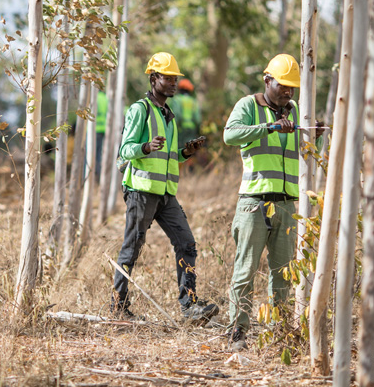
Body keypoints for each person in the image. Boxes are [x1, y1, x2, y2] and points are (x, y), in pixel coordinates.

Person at [110, 52, 219, 324]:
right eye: (168, 78)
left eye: (175, 78)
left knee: (186, 243)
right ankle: (117, 308)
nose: (173, 83)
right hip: (141, 191)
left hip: (166, 193)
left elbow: (168, 158)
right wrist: (145, 147)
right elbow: (124, 150)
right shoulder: (140, 109)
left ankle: (189, 306)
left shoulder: (167, 114)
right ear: (153, 78)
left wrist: (186, 152)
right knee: (132, 248)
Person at [222, 53, 321, 350]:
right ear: (267, 81)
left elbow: (306, 152)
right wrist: (268, 128)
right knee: (246, 271)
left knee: (283, 275)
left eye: (292, 87)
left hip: (287, 204)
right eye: (283, 85)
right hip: (254, 203)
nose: (288, 91)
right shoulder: (249, 106)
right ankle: (237, 332)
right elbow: (230, 135)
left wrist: (314, 132)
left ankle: (278, 333)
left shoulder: (297, 111)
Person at [168, 78, 201, 143]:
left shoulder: (176, 100)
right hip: (192, 129)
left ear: (179, 88)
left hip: (180, 129)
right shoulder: (193, 101)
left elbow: (177, 115)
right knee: (190, 149)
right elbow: (197, 119)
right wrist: (198, 131)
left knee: (180, 150)